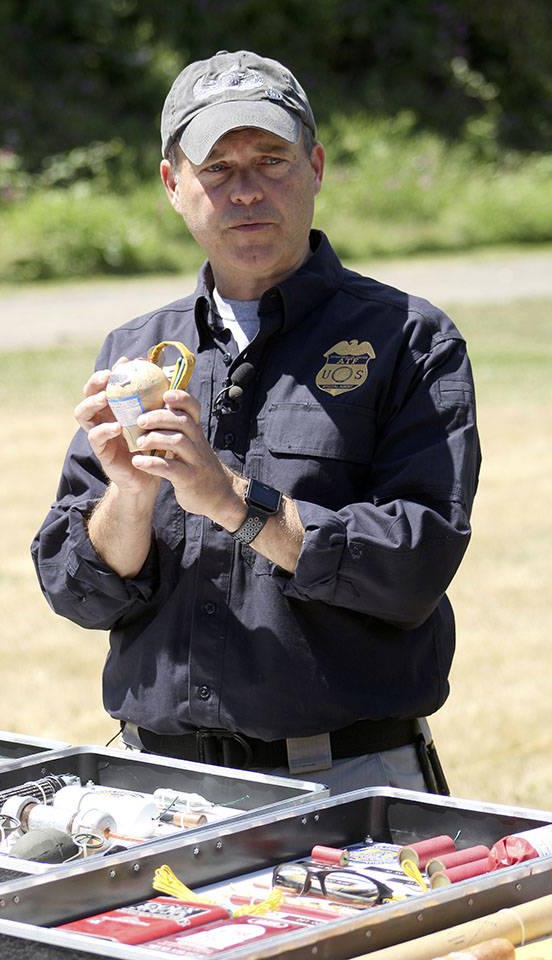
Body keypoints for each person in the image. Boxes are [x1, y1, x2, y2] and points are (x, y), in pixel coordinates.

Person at [31, 50, 481, 795]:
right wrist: (130, 496)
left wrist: (234, 501)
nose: (245, 190)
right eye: (217, 168)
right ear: (173, 185)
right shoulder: (135, 351)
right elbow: (78, 592)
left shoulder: (409, 339)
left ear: (316, 167)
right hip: (156, 787)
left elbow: (415, 566)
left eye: (271, 160)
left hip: (349, 781)